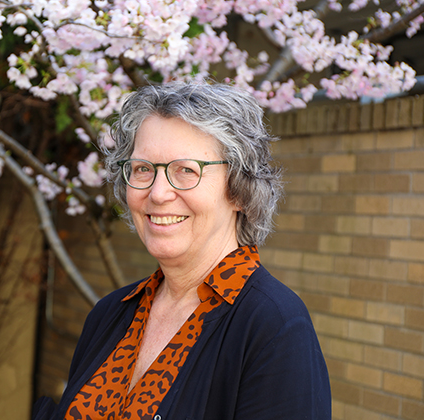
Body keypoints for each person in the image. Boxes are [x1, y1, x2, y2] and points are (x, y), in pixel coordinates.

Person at [33, 82, 331, 420]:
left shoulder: (274, 327)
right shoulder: (109, 315)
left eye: (186, 170)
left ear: (238, 189)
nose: (158, 193)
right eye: (143, 169)